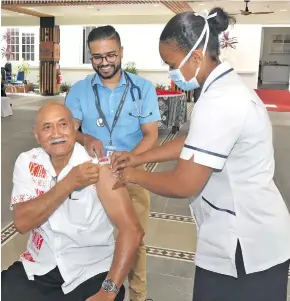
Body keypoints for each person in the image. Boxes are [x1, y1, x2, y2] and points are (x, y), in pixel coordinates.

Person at [111, 8, 290, 301]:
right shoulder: (220, 88)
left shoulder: (221, 100)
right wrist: (139, 157)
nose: (171, 73)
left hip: (247, 243)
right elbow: (193, 141)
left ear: (195, 58)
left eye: (171, 64)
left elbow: (185, 183)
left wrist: (132, 175)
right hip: (241, 233)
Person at [1, 102, 144, 301]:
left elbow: (132, 230)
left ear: (75, 128)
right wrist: (69, 183)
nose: (56, 133)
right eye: (47, 127)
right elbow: (22, 222)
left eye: (63, 124)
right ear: (37, 136)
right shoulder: (28, 162)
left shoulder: (99, 167)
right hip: (40, 266)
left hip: (91, 271)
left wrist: (108, 291)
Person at [65, 25, 161, 301]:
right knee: (92, 237)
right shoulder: (80, 90)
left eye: (110, 55)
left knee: (135, 238)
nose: (104, 62)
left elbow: (151, 134)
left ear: (121, 53)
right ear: (90, 57)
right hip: (91, 175)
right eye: (97, 57)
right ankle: (100, 291)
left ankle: (138, 296)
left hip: (130, 174)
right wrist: (84, 138)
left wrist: (132, 161)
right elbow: (69, 130)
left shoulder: (142, 89)